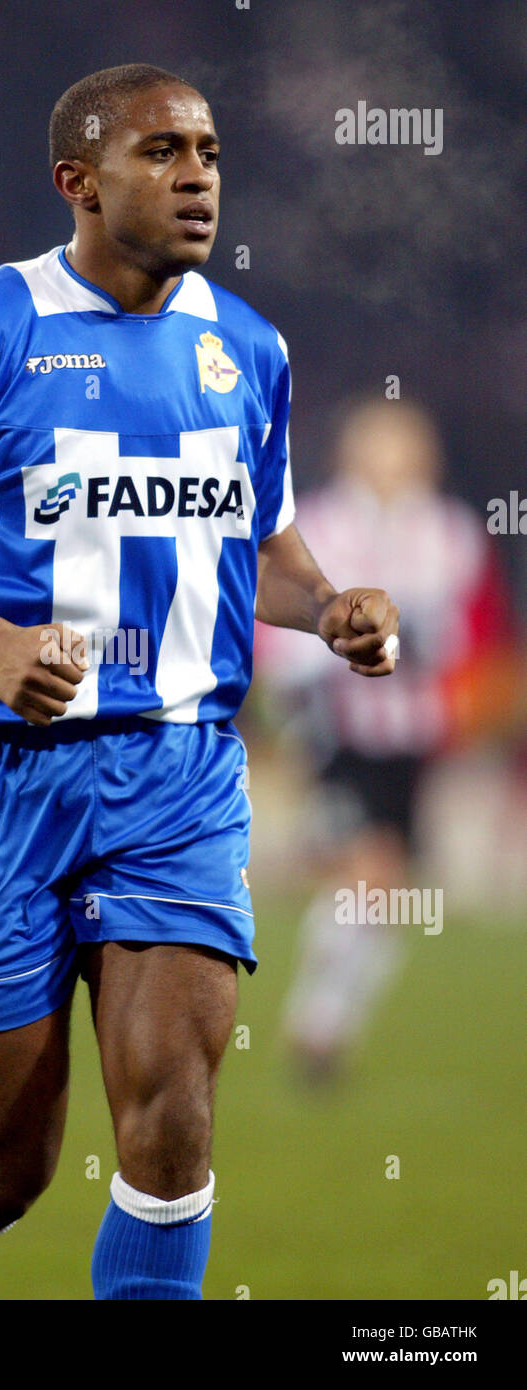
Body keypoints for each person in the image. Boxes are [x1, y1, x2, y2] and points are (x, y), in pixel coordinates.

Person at [0, 62, 399, 1302]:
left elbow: (255, 548)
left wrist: (330, 606)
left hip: (179, 771)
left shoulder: (246, 348)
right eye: (161, 152)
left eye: (207, 151)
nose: (197, 176)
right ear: (75, 182)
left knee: (171, 1127)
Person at [252, 397, 513, 1081]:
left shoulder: (451, 531)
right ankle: (318, 1029)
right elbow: (284, 627)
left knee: (386, 889)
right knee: (368, 871)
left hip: (414, 738)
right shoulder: (320, 524)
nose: (395, 465)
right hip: (341, 731)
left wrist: (436, 654)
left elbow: (476, 630)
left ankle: (325, 1021)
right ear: (354, 454)